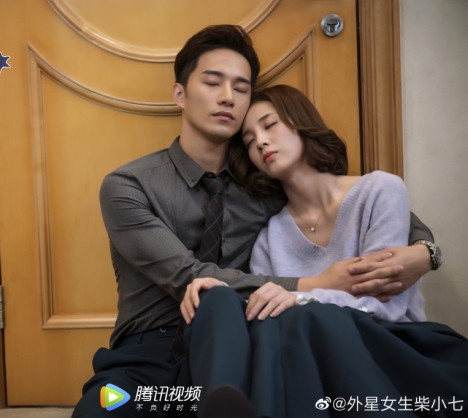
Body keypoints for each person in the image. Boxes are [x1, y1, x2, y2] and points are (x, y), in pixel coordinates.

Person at [72, 25, 435, 417]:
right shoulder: (129, 185)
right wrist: (316, 283)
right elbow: (187, 276)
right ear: (180, 94)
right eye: (213, 82)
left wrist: (425, 252)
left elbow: (359, 199)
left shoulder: (263, 184)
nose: (228, 97)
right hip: (150, 354)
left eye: (241, 88)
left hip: (237, 347)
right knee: (100, 411)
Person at [179, 85, 466, 417]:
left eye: (270, 125)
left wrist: (302, 299)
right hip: (310, 366)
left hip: (391, 346)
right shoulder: (269, 238)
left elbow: (386, 305)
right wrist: (219, 290)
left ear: (301, 123)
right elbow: (265, 316)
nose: (260, 142)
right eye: (249, 140)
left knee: (308, 317)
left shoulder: (380, 190)